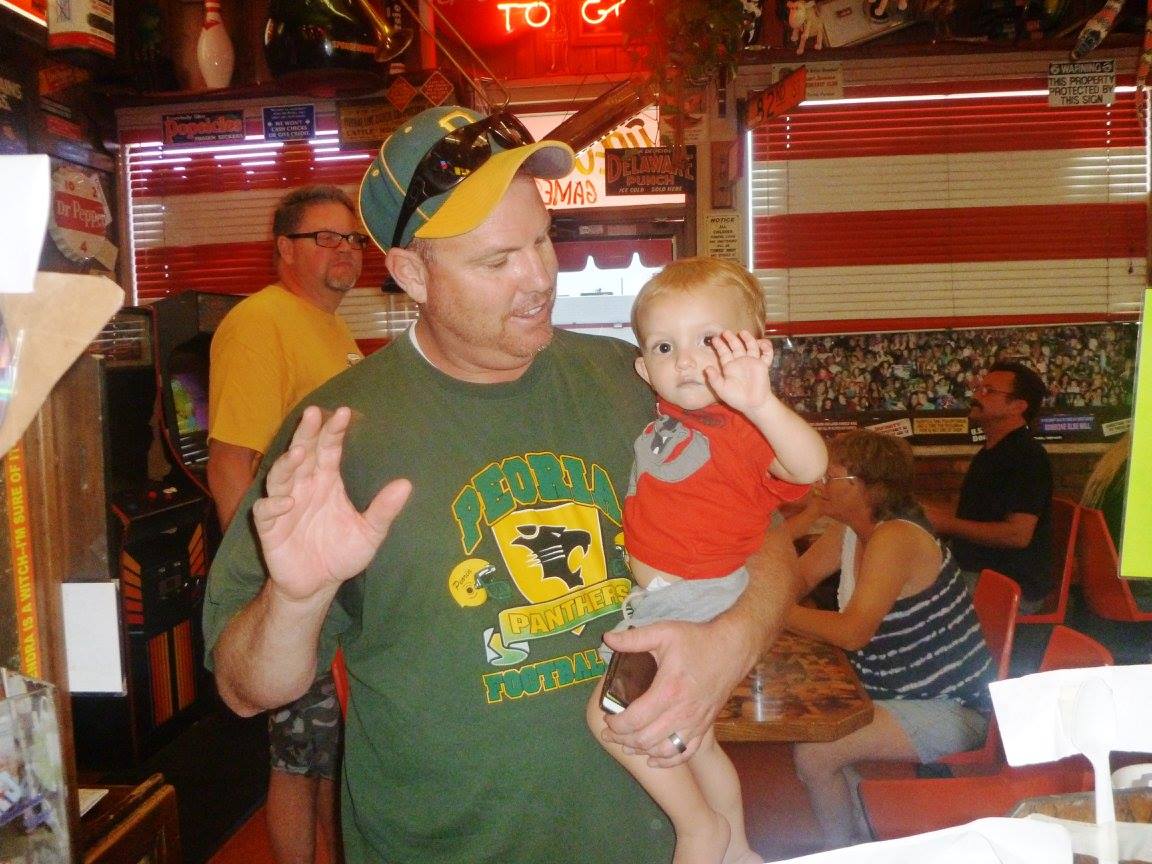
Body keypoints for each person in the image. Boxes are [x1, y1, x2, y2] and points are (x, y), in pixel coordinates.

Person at [202, 105, 801, 864]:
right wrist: (297, 598)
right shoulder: (337, 438)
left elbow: (766, 538)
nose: (540, 278)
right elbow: (246, 688)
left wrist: (729, 643)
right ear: (412, 274)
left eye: (542, 240)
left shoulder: (636, 383)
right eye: (497, 262)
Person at [587, 257, 826, 864]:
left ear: (750, 349)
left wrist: (762, 403)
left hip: (694, 592)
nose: (687, 361)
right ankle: (738, 846)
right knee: (699, 742)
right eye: (665, 347)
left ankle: (697, 830)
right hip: (669, 592)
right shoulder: (669, 416)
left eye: (710, 341)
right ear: (644, 368)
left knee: (610, 716)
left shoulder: (745, 425)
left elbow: (809, 467)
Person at [207, 184, 365, 864]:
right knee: (301, 759)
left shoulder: (331, 328)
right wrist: (264, 589)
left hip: (334, 576)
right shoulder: (259, 322)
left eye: (351, 238)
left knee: (333, 757)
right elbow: (229, 462)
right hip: (294, 587)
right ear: (284, 249)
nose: (344, 249)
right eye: (323, 237)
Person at [788, 430, 995, 848]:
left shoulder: (896, 538)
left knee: (815, 752)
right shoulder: (851, 530)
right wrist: (802, 521)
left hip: (953, 708)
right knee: (810, 718)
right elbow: (797, 580)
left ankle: (844, 853)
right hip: (894, 691)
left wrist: (774, 616)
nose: (819, 485)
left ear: (870, 489)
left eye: (831, 478)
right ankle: (863, 836)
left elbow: (852, 632)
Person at [924, 360, 1054, 613]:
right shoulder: (992, 452)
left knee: (899, 594)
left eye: (988, 391)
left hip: (1009, 585)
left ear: (1018, 406)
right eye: (978, 388)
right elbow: (971, 517)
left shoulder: (1028, 457)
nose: (976, 396)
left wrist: (946, 523)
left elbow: (1017, 535)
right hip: (977, 570)